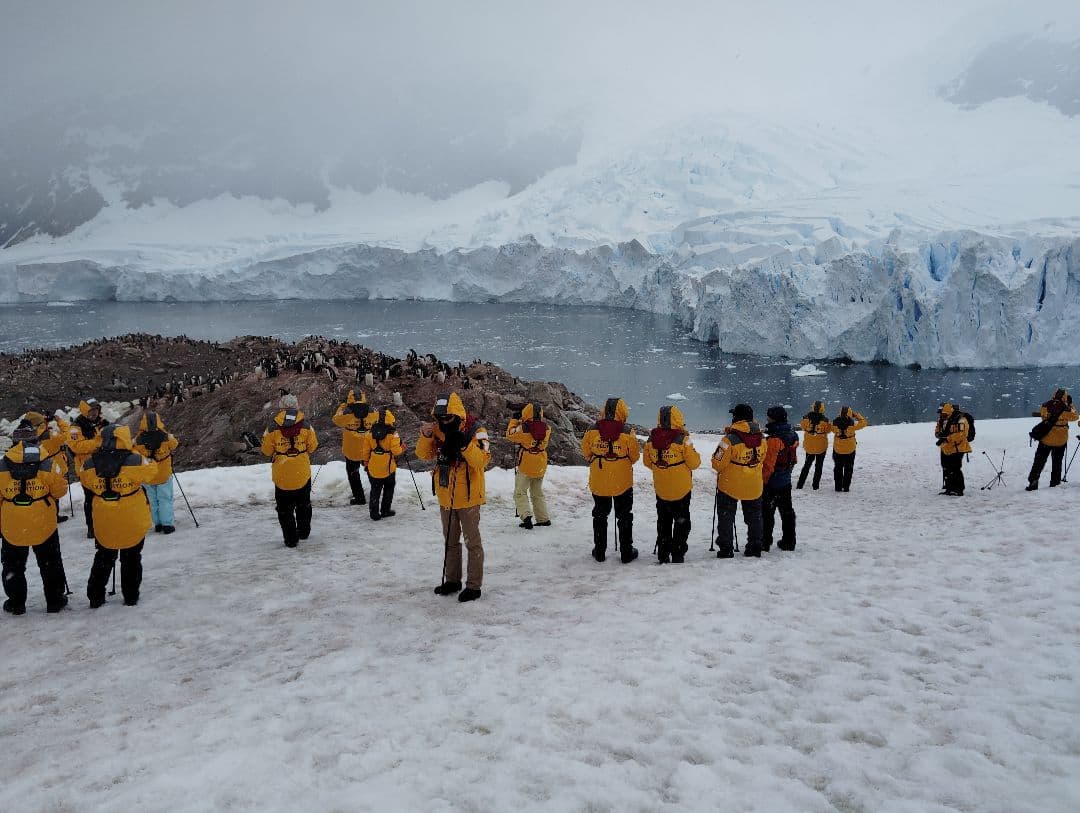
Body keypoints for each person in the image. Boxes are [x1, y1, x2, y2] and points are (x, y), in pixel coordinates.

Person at [416, 393, 491, 602]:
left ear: (457, 414)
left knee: (472, 542)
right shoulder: (437, 429)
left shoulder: (478, 432)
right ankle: (452, 580)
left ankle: (474, 586)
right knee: (450, 541)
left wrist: (465, 444)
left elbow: (481, 461)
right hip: (446, 495)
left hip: (469, 497)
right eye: (441, 418)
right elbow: (424, 455)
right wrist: (426, 436)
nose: (443, 422)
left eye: (448, 417)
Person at [79, 425, 158, 607]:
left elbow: (85, 480)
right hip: (131, 516)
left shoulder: (90, 463)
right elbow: (152, 473)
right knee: (131, 557)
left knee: (104, 556)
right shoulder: (135, 460)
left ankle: (95, 596)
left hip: (104, 516)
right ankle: (130, 595)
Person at [0, 438, 69, 614]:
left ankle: (16, 603)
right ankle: (54, 600)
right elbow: (60, 490)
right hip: (43, 521)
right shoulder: (47, 464)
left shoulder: (2, 466)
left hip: (12, 522)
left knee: (13, 566)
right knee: (50, 563)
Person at [581, 397, 640, 563]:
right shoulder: (628, 431)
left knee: (600, 515)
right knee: (624, 516)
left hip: (599, 479)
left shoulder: (592, 429)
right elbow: (634, 456)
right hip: (623, 480)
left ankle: (599, 551)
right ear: (622, 411)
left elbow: (586, 452)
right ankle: (626, 552)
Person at [642, 405, 700, 564]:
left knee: (663, 521)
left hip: (661, 488)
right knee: (682, 521)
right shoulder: (683, 440)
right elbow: (694, 463)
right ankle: (678, 552)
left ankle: (663, 553)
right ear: (677, 418)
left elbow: (647, 462)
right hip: (681, 488)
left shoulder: (651, 440)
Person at [260, 394, 319, 548]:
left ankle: (291, 539)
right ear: (296, 406)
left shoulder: (272, 427)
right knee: (303, 503)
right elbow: (312, 447)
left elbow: (266, 450)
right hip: (302, 470)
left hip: (282, 473)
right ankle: (304, 531)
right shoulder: (306, 425)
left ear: (282, 407)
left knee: (284, 509)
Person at [712, 403, 766, 558]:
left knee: (726, 517)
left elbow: (717, 463)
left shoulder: (729, 440)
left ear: (736, 417)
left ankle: (726, 548)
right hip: (754, 484)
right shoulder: (762, 438)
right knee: (755, 517)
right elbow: (763, 458)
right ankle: (755, 547)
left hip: (730, 485)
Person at [505, 402, 552, 530]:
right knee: (537, 492)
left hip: (526, 462)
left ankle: (526, 517)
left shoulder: (524, 428)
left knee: (520, 492)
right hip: (540, 462)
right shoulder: (547, 428)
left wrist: (515, 420)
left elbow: (510, 434)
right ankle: (543, 519)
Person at [132, 410, 180, 533]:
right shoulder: (165, 436)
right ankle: (167, 525)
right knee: (165, 499)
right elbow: (174, 444)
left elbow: (133, 452)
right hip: (163, 473)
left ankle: (157, 524)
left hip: (148, 475)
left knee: (152, 500)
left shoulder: (138, 439)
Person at [66, 398, 106, 538]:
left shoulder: (102, 422)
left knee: (103, 495)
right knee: (90, 497)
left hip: (103, 465)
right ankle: (92, 527)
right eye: (91, 411)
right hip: (86, 468)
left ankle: (104, 523)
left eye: (96, 410)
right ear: (84, 411)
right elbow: (77, 446)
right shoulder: (76, 427)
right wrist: (98, 442)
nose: (94, 413)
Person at [761, 406, 799, 552]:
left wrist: (763, 482)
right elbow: (793, 458)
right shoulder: (793, 435)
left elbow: (769, 465)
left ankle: (765, 542)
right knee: (787, 511)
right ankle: (789, 541)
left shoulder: (773, 440)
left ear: (774, 418)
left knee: (767, 513)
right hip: (785, 480)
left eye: (769, 416)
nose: (767, 418)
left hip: (772, 482)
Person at [22, 411, 70, 523]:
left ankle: (39, 514)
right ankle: (54, 516)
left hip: (35, 468)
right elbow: (67, 435)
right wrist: (59, 421)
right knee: (54, 492)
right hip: (53, 465)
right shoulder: (50, 435)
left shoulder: (26, 436)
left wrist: (45, 424)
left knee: (40, 492)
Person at [1026, 388, 1078, 490]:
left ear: (1053, 395)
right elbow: (1075, 416)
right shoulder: (1067, 408)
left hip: (1046, 439)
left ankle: (1033, 481)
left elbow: (1043, 417)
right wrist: (1070, 404)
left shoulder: (1045, 405)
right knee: (1057, 463)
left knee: (1039, 462)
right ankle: (1055, 483)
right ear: (1065, 397)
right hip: (1060, 441)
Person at [360, 407, 405, 520]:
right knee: (389, 489)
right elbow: (396, 451)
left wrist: (365, 462)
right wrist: (402, 448)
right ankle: (385, 510)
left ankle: (374, 513)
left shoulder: (369, 433)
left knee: (375, 489)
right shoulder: (393, 434)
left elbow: (365, 450)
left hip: (373, 466)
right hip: (388, 467)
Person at [331, 389, 369, 506]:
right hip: (368, 447)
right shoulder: (372, 411)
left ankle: (359, 497)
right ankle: (376, 493)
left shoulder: (346, 412)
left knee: (353, 473)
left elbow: (336, 419)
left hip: (352, 449)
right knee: (372, 472)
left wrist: (342, 406)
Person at [935, 402, 970, 496]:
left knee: (955, 468)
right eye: (941, 414)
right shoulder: (941, 420)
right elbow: (937, 430)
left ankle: (959, 489)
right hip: (945, 448)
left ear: (949, 412)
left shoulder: (961, 420)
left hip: (958, 448)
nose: (942, 416)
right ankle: (949, 488)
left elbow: (962, 435)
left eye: (944, 414)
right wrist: (939, 435)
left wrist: (947, 438)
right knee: (946, 468)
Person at [830, 406, 868, 492]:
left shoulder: (834, 423)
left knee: (838, 468)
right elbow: (864, 423)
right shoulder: (853, 424)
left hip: (838, 449)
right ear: (850, 413)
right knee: (849, 468)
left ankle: (838, 487)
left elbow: (828, 427)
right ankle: (846, 487)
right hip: (850, 449)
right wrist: (857, 415)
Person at [797, 401, 832, 490]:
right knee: (819, 466)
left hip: (810, 447)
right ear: (822, 409)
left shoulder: (806, 418)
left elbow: (802, 426)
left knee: (806, 465)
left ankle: (800, 485)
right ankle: (815, 486)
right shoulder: (825, 420)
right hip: (821, 447)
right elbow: (828, 430)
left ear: (812, 407)